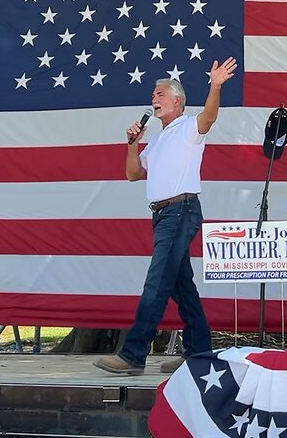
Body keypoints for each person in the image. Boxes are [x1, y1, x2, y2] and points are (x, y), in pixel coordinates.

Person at [94, 58, 237, 376]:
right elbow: (133, 174)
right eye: (153, 95)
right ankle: (200, 351)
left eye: (159, 94)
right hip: (162, 215)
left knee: (157, 282)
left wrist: (215, 86)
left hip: (180, 211)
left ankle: (134, 353)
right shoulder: (157, 138)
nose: (154, 99)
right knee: (180, 285)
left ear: (177, 101)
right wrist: (132, 145)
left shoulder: (188, 128)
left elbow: (209, 117)